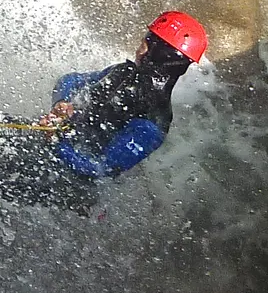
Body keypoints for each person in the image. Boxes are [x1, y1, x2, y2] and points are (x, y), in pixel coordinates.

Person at [38, 10, 208, 179]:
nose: (140, 45)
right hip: (55, 142)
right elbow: (71, 80)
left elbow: (100, 169)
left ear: (158, 53)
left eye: (147, 41)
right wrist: (63, 102)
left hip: (67, 180)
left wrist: (57, 141)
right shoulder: (122, 72)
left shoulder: (153, 123)